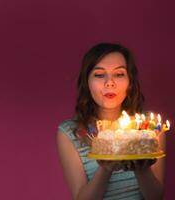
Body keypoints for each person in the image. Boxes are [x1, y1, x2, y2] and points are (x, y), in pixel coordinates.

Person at [57, 43, 166, 200]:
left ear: (130, 81)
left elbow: (156, 197)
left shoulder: (149, 129)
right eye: (99, 75)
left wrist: (142, 169)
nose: (110, 82)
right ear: (86, 82)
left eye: (119, 74)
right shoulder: (70, 133)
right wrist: (105, 169)